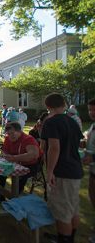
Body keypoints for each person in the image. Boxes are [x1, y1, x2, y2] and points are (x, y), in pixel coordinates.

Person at [41, 93, 83, 243]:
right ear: (64, 104)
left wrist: (50, 171)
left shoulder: (51, 122)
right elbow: (77, 145)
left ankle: (64, 239)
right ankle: (67, 238)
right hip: (75, 169)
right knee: (72, 208)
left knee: (62, 211)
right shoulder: (72, 121)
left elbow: (54, 148)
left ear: (48, 107)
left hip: (62, 171)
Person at [0, 122, 42, 202]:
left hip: (30, 165)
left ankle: (15, 199)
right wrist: (5, 155)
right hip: (15, 164)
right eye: (8, 134)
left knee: (19, 177)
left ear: (20, 131)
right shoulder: (8, 139)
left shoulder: (28, 139)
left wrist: (14, 158)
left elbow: (34, 155)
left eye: (12, 133)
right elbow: (4, 151)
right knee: (1, 173)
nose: (10, 136)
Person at [82, 99, 95, 243]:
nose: (92, 113)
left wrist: (92, 157)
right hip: (92, 171)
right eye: (90, 109)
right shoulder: (92, 126)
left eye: (94, 110)